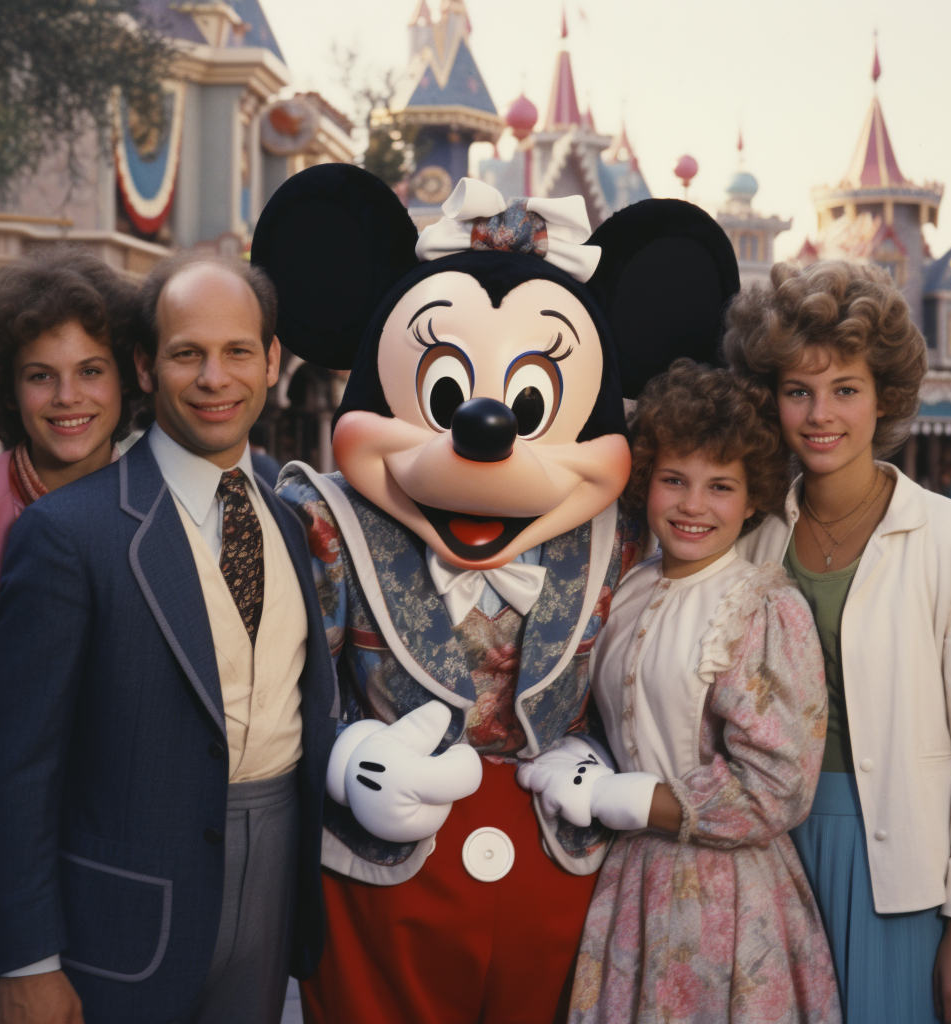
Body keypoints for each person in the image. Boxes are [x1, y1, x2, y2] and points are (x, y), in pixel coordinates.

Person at [252, 164, 742, 1024]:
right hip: (380, 876)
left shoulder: (620, 535)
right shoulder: (323, 523)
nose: (485, 429)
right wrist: (345, 758)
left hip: (558, 867)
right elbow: (282, 693)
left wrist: (591, 752)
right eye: (446, 395)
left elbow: (635, 674)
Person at [0, 254, 337, 1024]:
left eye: (237, 351)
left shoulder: (291, 524)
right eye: (186, 354)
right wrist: (28, 958)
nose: (214, 378)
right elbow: (15, 766)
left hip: (271, 899)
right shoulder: (68, 532)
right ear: (145, 366)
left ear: (271, 362)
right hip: (121, 923)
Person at [528, 360, 840, 1024]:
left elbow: (778, 786)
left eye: (720, 486)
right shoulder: (626, 588)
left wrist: (630, 797)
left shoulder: (759, 606)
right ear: (646, 482)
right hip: (629, 886)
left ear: (753, 496)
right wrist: (583, 756)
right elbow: (615, 717)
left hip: (727, 900)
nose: (693, 505)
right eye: (674, 480)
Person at [727, 260, 951, 1024]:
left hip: (904, 870)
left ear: (885, 398)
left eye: (845, 389)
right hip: (770, 858)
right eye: (797, 390)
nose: (819, 413)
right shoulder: (751, 539)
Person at [0, 249, 139, 1024]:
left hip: (122, 869)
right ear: (7, 386)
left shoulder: (169, 519)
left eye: (92, 370)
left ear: (128, 379)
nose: (69, 398)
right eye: (41, 374)